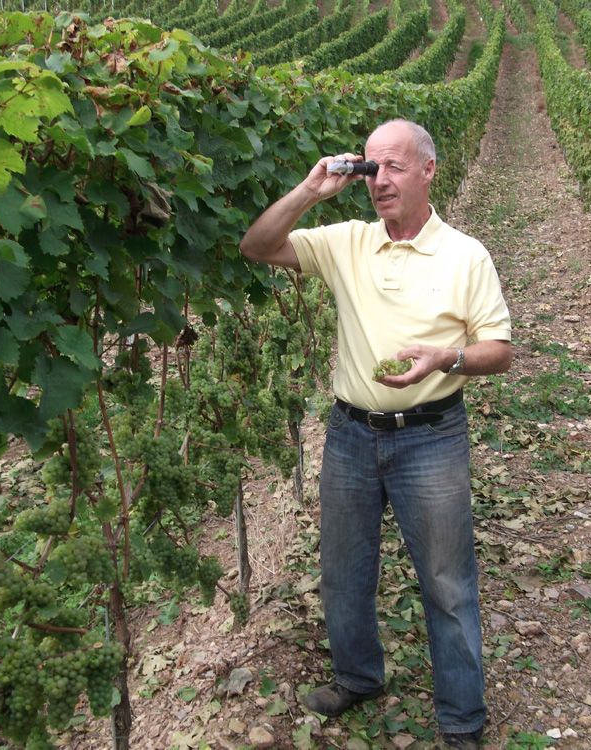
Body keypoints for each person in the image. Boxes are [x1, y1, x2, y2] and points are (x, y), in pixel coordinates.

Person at [240, 119, 512, 750]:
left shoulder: (465, 254)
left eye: (393, 167)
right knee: (343, 571)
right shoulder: (348, 241)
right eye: (370, 168)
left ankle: (463, 723)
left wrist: (445, 357)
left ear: (427, 171)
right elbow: (256, 246)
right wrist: (310, 191)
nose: (379, 181)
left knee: (446, 584)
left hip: (432, 437)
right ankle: (359, 677)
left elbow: (498, 350)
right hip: (351, 435)